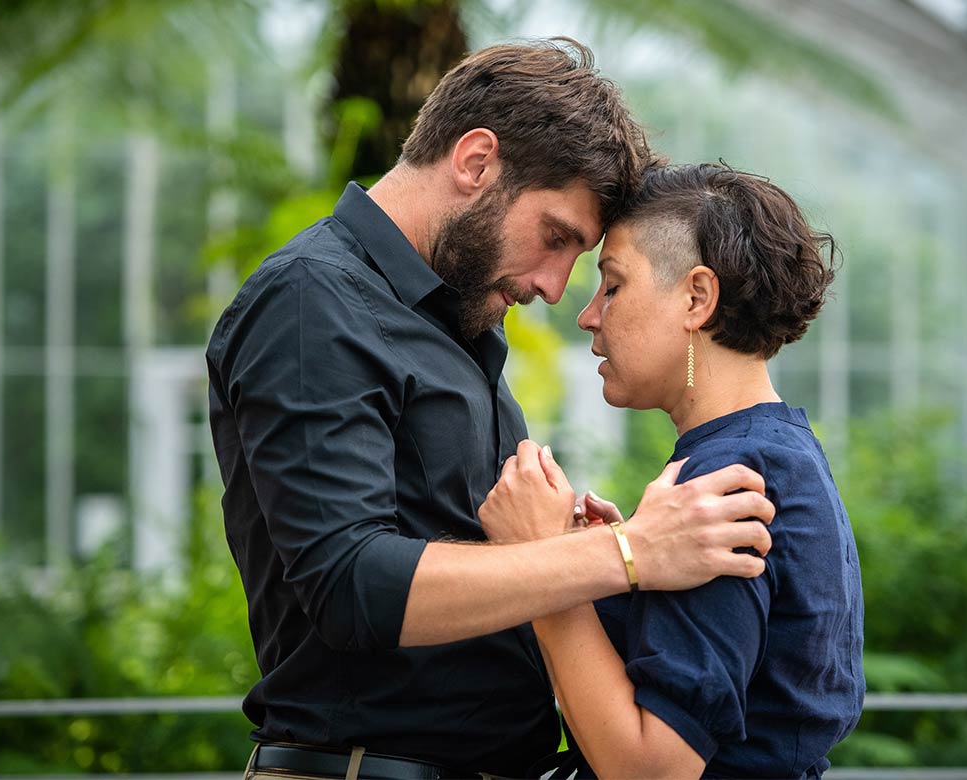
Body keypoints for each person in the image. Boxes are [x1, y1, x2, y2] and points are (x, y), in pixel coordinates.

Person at [207, 40, 777, 780]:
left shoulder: (460, 317)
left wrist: (560, 543)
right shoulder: (312, 303)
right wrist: (626, 554)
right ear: (475, 161)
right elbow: (350, 583)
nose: (554, 286)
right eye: (555, 237)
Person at [480, 163, 866, 779]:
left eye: (612, 286)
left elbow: (652, 770)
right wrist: (608, 567)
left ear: (696, 298)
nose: (587, 315)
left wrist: (546, 568)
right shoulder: (774, 451)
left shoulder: (731, 474)